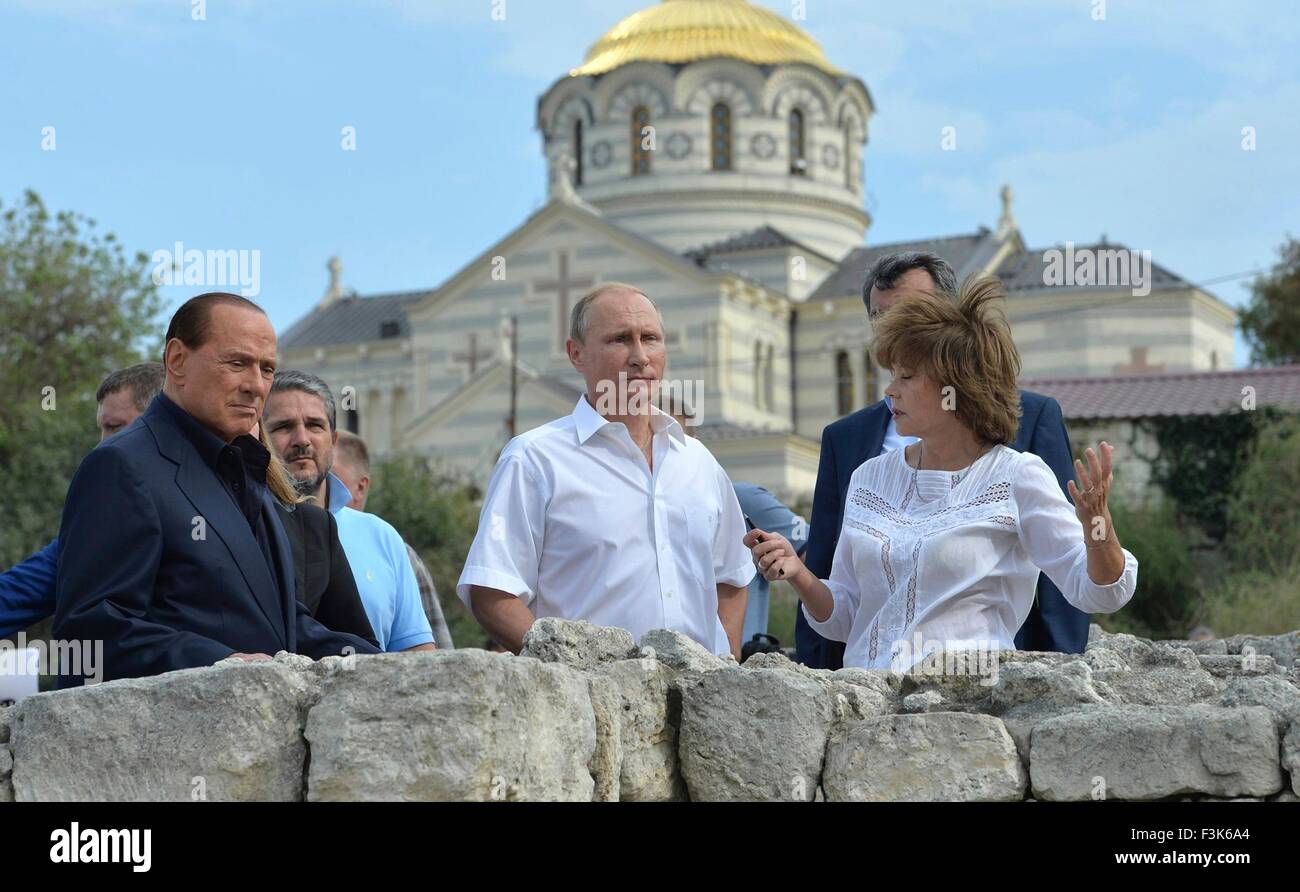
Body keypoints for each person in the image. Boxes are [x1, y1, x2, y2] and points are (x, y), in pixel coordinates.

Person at [747, 276, 1138, 670]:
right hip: (869, 709)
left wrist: (1098, 530)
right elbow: (847, 615)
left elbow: (1099, 593)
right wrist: (799, 574)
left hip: (963, 710)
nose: (889, 391)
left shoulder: (1017, 475)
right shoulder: (868, 478)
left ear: (957, 388)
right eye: (891, 374)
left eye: (907, 376)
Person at [53, 293, 380, 686]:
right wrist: (223, 663)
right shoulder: (120, 465)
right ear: (177, 361)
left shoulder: (242, 469)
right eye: (238, 363)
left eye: (267, 369)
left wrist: (378, 665)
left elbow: (280, 627)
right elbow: (87, 634)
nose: (256, 386)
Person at [458, 283, 753, 657]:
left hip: (699, 704)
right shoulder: (534, 459)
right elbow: (492, 592)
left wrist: (722, 661)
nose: (640, 357)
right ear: (576, 354)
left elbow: (732, 577)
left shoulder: (699, 462)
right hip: (590, 705)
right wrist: (575, 673)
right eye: (619, 340)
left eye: (651, 338)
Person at [264, 370, 435, 652]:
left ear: (333, 440)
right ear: (260, 438)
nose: (302, 439)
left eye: (314, 425)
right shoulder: (246, 526)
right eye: (284, 427)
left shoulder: (382, 536)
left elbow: (416, 655)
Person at [1, 363, 165, 639]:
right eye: (102, 428)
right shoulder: (104, 516)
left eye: (115, 427)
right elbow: (25, 588)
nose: (102, 444)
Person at [332, 429, 454, 649]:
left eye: (333, 481)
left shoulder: (391, 546)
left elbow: (433, 654)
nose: (326, 489)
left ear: (360, 487)